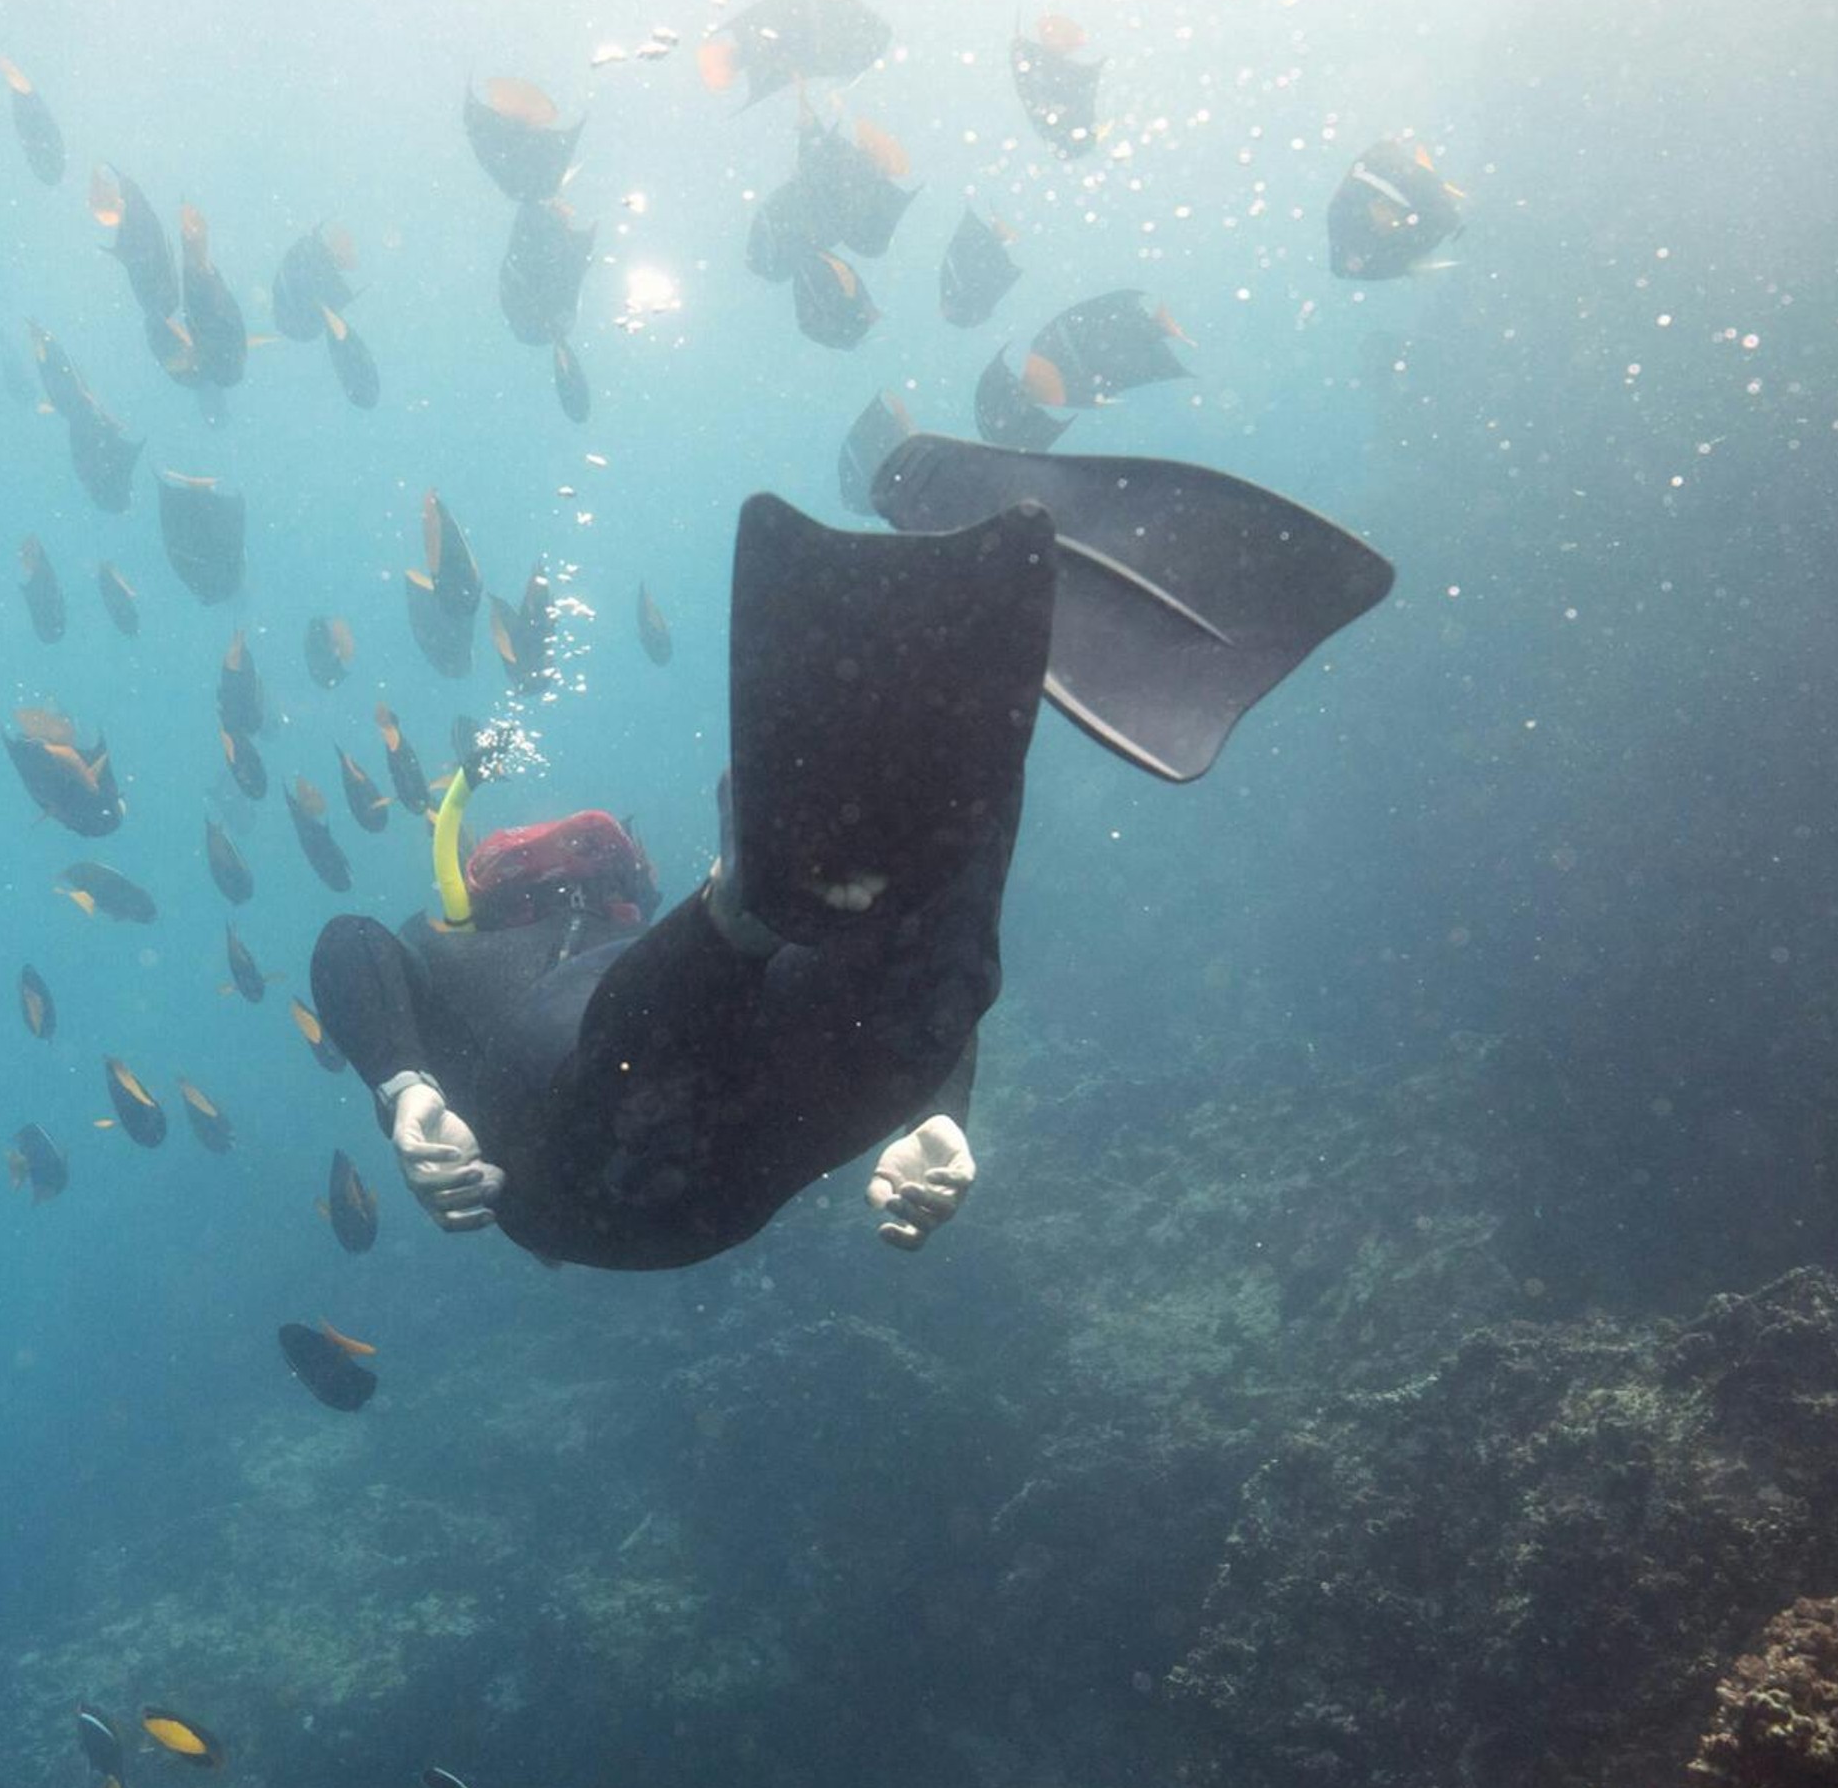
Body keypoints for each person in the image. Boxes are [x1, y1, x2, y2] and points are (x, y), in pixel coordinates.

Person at [309, 434, 1392, 1273]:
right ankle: (756, 893)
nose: (590, 881)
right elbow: (354, 943)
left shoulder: (469, 952)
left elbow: (348, 948)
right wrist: (406, 1087)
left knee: (907, 958)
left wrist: (937, 1122)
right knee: (800, 977)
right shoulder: (460, 948)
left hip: (681, 1160)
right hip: (586, 1145)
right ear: (504, 884)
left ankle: (776, 891)